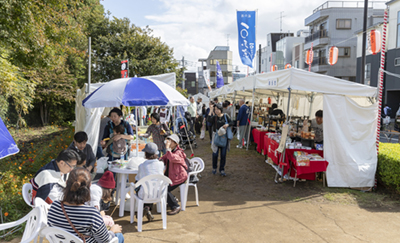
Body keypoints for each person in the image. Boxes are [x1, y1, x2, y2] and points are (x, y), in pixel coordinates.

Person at [48, 168, 124, 243]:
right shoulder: (92, 214)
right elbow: (105, 240)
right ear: (89, 186)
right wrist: (112, 230)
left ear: (67, 183)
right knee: (119, 236)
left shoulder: (54, 206)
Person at [135, 143, 164, 222]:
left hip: (145, 194)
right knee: (152, 186)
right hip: (159, 193)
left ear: (145, 154)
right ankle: (147, 208)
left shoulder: (142, 166)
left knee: (142, 186)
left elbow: (138, 179)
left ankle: (143, 208)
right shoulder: (161, 164)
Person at [159, 134, 187, 215]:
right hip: (171, 176)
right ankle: (173, 199)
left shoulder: (179, 153)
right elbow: (164, 158)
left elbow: (172, 158)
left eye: (170, 141)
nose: (168, 142)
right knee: (161, 186)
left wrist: (167, 149)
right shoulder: (170, 151)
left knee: (164, 189)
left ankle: (176, 206)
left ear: (175, 143)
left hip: (179, 177)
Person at [207, 103, 235, 176]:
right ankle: (214, 168)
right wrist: (210, 110)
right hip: (216, 138)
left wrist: (227, 125)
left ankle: (222, 169)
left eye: (217, 109)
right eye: (215, 109)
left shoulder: (225, 116)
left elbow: (232, 122)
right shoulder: (214, 117)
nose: (216, 111)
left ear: (221, 109)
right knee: (215, 154)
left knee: (223, 155)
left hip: (224, 138)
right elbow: (208, 119)